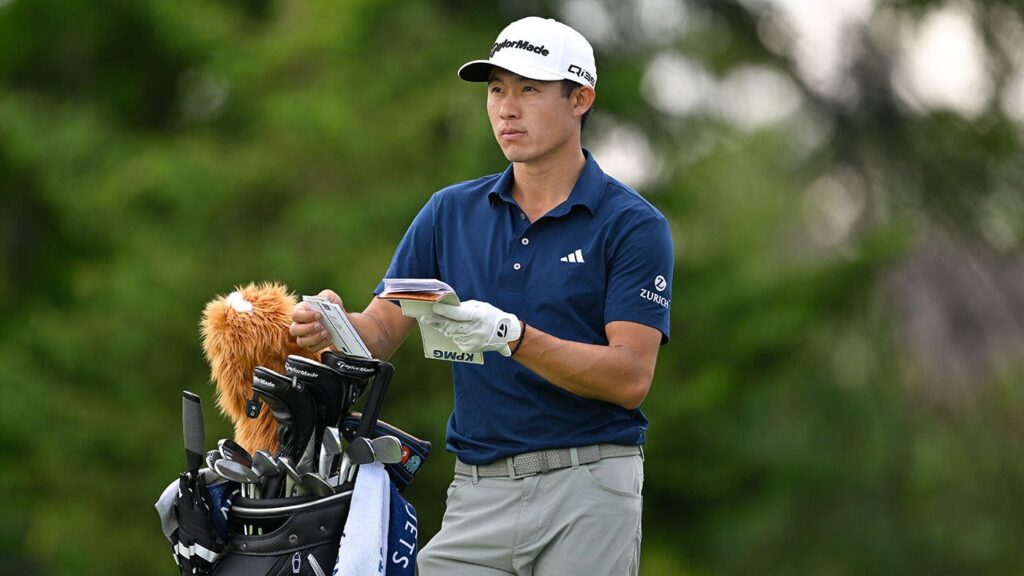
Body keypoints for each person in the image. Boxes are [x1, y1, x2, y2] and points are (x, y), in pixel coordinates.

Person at [291, 16, 673, 576]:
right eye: (496, 89)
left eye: (529, 90)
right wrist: (332, 326)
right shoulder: (449, 213)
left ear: (580, 99)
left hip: (589, 489)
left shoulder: (632, 225)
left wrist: (512, 337)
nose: (506, 108)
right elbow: (377, 335)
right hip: (477, 493)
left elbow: (630, 376)